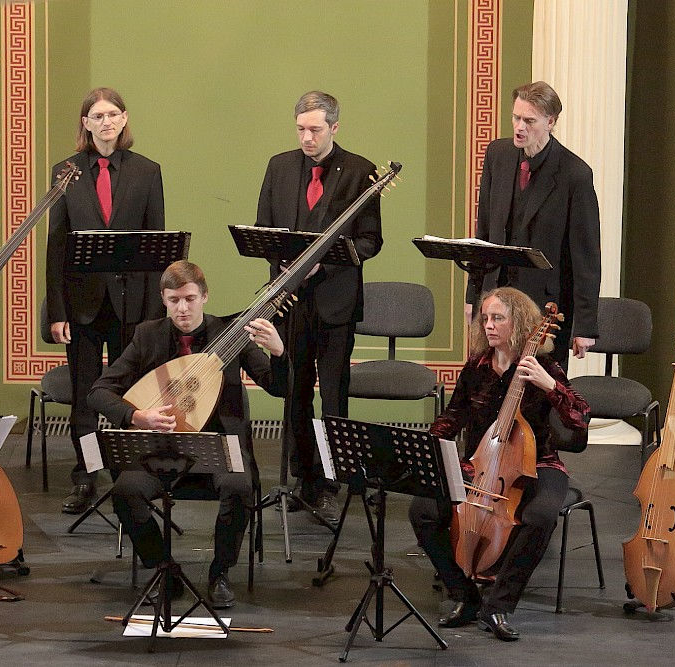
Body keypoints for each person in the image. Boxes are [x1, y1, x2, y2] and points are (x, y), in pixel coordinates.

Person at [88, 260, 288, 608]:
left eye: (190, 299)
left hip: (218, 451)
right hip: (163, 450)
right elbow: (99, 392)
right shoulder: (147, 335)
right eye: (173, 300)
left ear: (205, 296)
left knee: (239, 488)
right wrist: (139, 415)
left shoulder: (232, 334)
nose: (182, 308)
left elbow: (279, 388)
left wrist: (279, 352)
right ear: (164, 300)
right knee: (125, 492)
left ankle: (220, 572)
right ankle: (164, 569)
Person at [408, 288, 590, 641]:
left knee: (541, 516)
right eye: (486, 319)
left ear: (519, 323)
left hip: (538, 465)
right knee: (423, 510)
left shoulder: (545, 367)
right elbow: (454, 415)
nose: (489, 326)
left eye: (498, 318)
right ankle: (465, 595)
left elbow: (579, 419)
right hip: (479, 465)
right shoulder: (477, 367)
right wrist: (429, 448)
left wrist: (549, 384)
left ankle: (499, 605)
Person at [255, 91, 382, 521]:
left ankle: (335, 479)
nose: (306, 137)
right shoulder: (280, 165)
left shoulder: (360, 171)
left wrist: (321, 263)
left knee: (332, 395)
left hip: (334, 302)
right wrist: (283, 262)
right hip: (288, 300)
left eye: (315, 129)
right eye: (300, 129)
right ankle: (304, 477)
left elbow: (370, 241)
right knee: (293, 391)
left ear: (334, 128)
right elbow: (264, 228)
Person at [46, 87, 165, 514]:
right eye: (97, 115)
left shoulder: (147, 171)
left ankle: (126, 476)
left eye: (113, 114)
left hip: (133, 304)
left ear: (124, 119)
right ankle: (85, 476)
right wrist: (56, 311)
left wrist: (156, 314)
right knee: (84, 394)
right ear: (85, 123)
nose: (106, 122)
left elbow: (157, 247)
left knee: (129, 394)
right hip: (82, 304)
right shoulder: (66, 172)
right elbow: (55, 246)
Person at [468, 81, 601, 370]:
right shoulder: (497, 155)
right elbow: (485, 234)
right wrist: (472, 296)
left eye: (529, 121)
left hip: (545, 308)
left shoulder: (575, 174)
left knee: (538, 402)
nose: (519, 127)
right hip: (496, 302)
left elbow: (586, 256)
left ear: (550, 122)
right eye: (516, 117)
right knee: (487, 393)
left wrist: (584, 326)